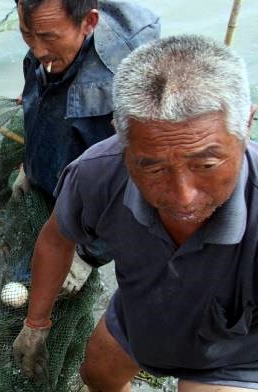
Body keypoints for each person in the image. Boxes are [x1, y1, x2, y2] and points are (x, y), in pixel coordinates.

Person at [14, 34, 258, 391]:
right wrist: (36, 324)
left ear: (247, 124)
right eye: (153, 169)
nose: (183, 197)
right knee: (95, 375)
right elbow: (55, 239)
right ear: (120, 135)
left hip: (234, 351)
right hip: (142, 318)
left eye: (206, 164)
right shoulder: (96, 175)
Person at [7, 0, 159, 295]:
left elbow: (132, 195)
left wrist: (89, 254)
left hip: (87, 208)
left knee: (43, 283)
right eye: (27, 34)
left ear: (89, 23)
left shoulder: (121, 93)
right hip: (52, 168)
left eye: (48, 37)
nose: (37, 50)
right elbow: (37, 98)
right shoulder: (47, 35)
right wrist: (30, 164)